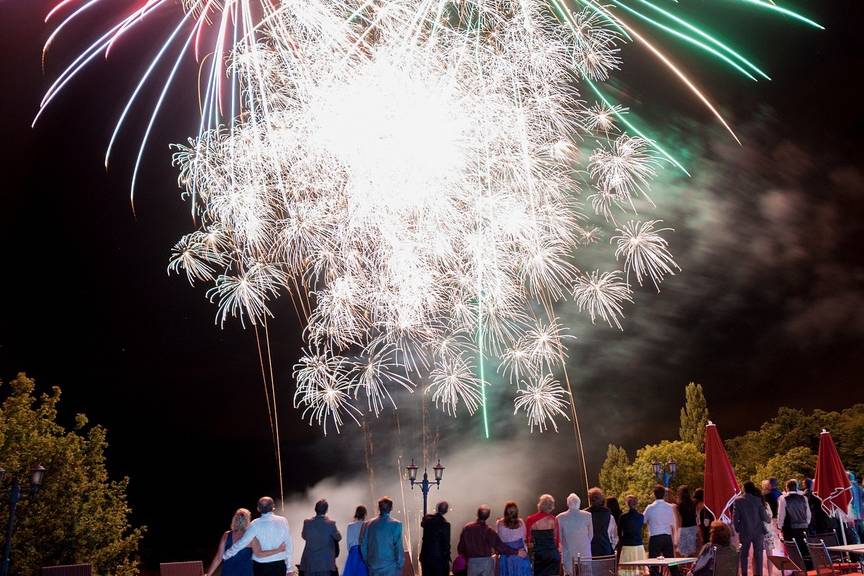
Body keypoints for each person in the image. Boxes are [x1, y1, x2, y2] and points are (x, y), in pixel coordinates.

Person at [223, 497, 295, 576]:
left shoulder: (255, 524)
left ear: (258, 509)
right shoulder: (283, 521)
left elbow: (242, 543)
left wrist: (226, 555)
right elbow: (289, 544)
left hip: (261, 566)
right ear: (273, 507)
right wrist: (290, 568)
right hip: (279, 565)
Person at [206, 509, 287, 576]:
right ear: (248, 520)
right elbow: (259, 554)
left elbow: (218, 558)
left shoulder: (226, 535)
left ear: (234, 519)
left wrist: (208, 574)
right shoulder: (251, 537)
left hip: (228, 573)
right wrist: (278, 550)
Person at [457, 505, 522, 576]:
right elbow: (500, 546)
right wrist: (516, 552)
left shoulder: (467, 528)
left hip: (472, 562)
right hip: (486, 563)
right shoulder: (489, 531)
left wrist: (468, 558)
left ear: (477, 514)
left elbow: (460, 549)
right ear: (488, 516)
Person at [733, 481, 769, 576]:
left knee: (744, 555)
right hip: (758, 532)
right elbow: (764, 517)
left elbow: (735, 517)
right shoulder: (758, 500)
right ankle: (759, 574)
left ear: (744, 488)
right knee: (758, 555)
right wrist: (768, 519)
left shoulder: (738, 500)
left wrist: (737, 529)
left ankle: (744, 574)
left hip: (744, 531)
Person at [360, 498, 404, 576]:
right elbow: (398, 547)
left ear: (379, 508)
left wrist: (367, 560)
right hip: (390, 567)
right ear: (391, 508)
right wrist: (400, 563)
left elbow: (363, 544)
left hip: (373, 565)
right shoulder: (396, 524)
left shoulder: (367, 524)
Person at [300, 500, 342, 576]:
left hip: (310, 563)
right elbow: (338, 537)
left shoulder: (307, 522)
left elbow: (304, 536)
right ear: (326, 510)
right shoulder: (331, 523)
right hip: (325, 564)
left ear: (315, 509)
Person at [644, 485, 678, 576]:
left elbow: (643, 520)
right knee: (672, 563)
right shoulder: (670, 507)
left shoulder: (650, 508)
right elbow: (673, 523)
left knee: (653, 564)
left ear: (654, 494)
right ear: (664, 495)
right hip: (667, 537)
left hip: (655, 537)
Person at [525, 494, 561, 576]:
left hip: (540, 556)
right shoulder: (553, 520)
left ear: (540, 504)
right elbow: (557, 540)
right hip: (553, 555)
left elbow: (528, 541)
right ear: (551, 506)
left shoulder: (531, 519)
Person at [558, 493, 593, 575]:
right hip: (585, 554)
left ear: (567, 503)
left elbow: (559, 538)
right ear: (579, 503)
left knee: (570, 573)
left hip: (568, 554)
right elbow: (591, 535)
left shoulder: (560, 518)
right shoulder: (588, 515)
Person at [777, 479, 810, 559]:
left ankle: (796, 568)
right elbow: (808, 514)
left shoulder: (783, 498)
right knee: (804, 548)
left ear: (787, 488)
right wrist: (806, 523)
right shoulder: (804, 498)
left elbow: (781, 514)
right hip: (803, 527)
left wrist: (780, 526)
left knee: (792, 550)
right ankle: (807, 567)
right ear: (796, 487)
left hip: (789, 528)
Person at [496, 502, 532, 576]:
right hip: (519, 556)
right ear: (516, 511)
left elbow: (499, 540)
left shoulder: (499, 523)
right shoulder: (521, 522)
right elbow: (524, 538)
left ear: (505, 512)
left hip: (506, 557)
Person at [420, 501, 451, 576]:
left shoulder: (427, 520)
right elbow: (446, 544)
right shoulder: (445, 525)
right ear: (446, 511)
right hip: (439, 559)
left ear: (437, 508)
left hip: (426, 556)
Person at [618, 496, 647, 576]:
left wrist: (622, 541)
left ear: (627, 504)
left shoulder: (623, 517)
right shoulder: (641, 517)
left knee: (626, 571)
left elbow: (619, 532)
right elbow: (642, 530)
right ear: (636, 503)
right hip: (638, 545)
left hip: (627, 545)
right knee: (640, 571)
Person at [586, 487, 618, 557]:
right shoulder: (608, 514)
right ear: (601, 499)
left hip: (590, 551)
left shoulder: (585, 514)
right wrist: (612, 547)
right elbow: (615, 535)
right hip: (606, 550)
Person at [343, 506, 368, 576]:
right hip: (364, 553)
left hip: (353, 553)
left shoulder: (350, 526)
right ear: (365, 514)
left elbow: (348, 543)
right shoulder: (367, 525)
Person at [676, 487, 699, 558]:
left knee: (683, 552)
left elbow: (680, 519)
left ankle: (684, 568)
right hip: (693, 527)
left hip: (684, 528)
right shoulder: (694, 503)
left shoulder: (680, 505)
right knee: (692, 551)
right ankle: (693, 567)